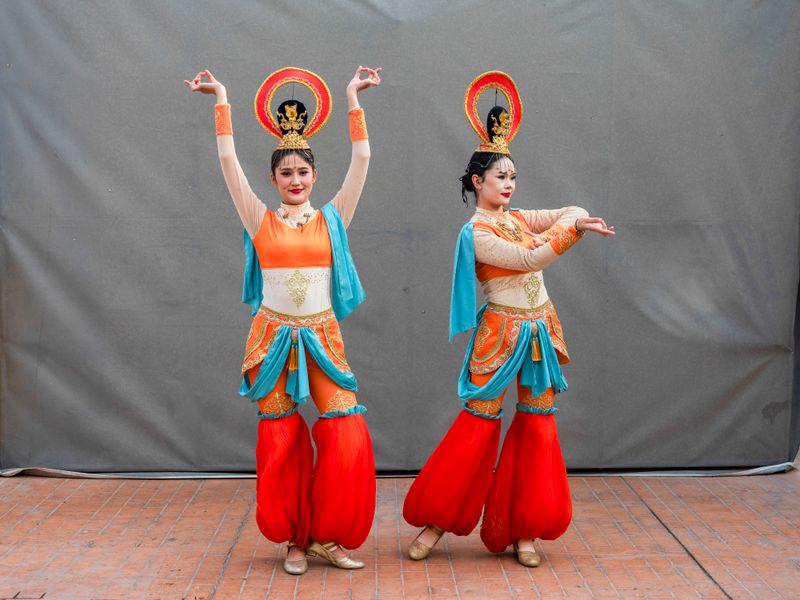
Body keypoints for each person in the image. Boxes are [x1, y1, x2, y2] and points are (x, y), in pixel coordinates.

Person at [403, 71, 614, 567]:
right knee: (480, 422)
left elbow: (570, 207)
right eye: (502, 177)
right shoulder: (475, 232)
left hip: (539, 330)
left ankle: (525, 528)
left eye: (514, 178)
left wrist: (576, 220)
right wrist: (567, 235)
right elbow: (526, 262)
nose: (510, 185)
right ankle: (438, 518)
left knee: (538, 423)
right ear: (478, 181)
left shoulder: (518, 218)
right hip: (501, 332)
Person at [184, 65, 381, 575]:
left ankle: (325, 536)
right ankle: (294, 540)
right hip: (271, 340)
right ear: (273, 178)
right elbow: (228, 161)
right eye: (286, 173)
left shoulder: (334, 218)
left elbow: (362, 158)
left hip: (322, 337)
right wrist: (221, 96)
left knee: (345, 434)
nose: (296, 180)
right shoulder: (259, 219)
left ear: (315, 175)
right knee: (280, 442)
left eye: (304, 172)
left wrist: (352, 97)